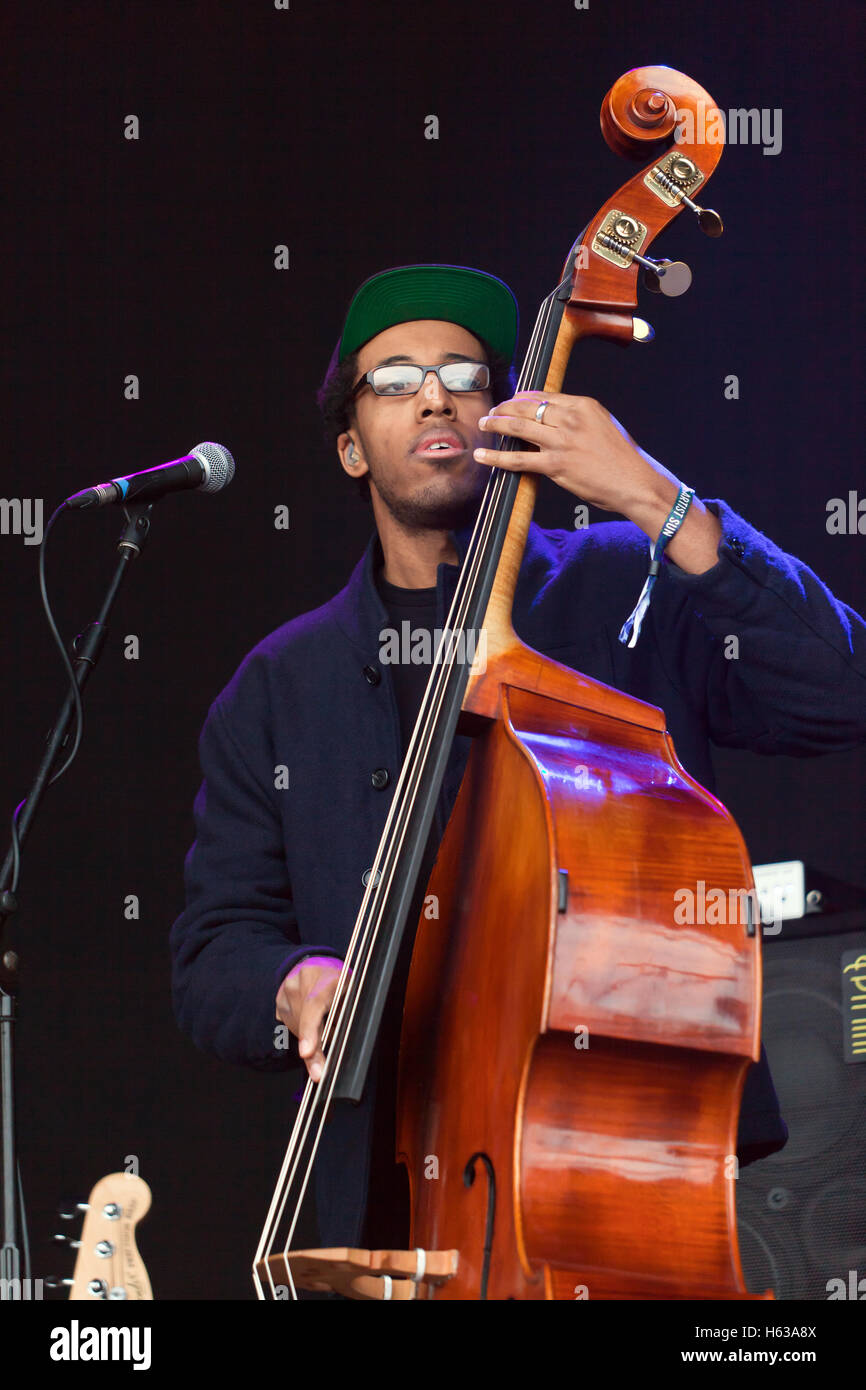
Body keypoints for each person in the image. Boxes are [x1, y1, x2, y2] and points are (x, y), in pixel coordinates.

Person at [170, 263, 866, 1263]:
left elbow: (841, 690)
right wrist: (293, 982)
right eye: (395, 380)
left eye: (462, 372)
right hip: (393, 1208)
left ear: (503, 415)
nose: (437, 396)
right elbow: (212, 950)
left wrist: (656, 499)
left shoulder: (629, 591)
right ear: (349, 448)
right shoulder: (279, 685)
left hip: (636, 1187)